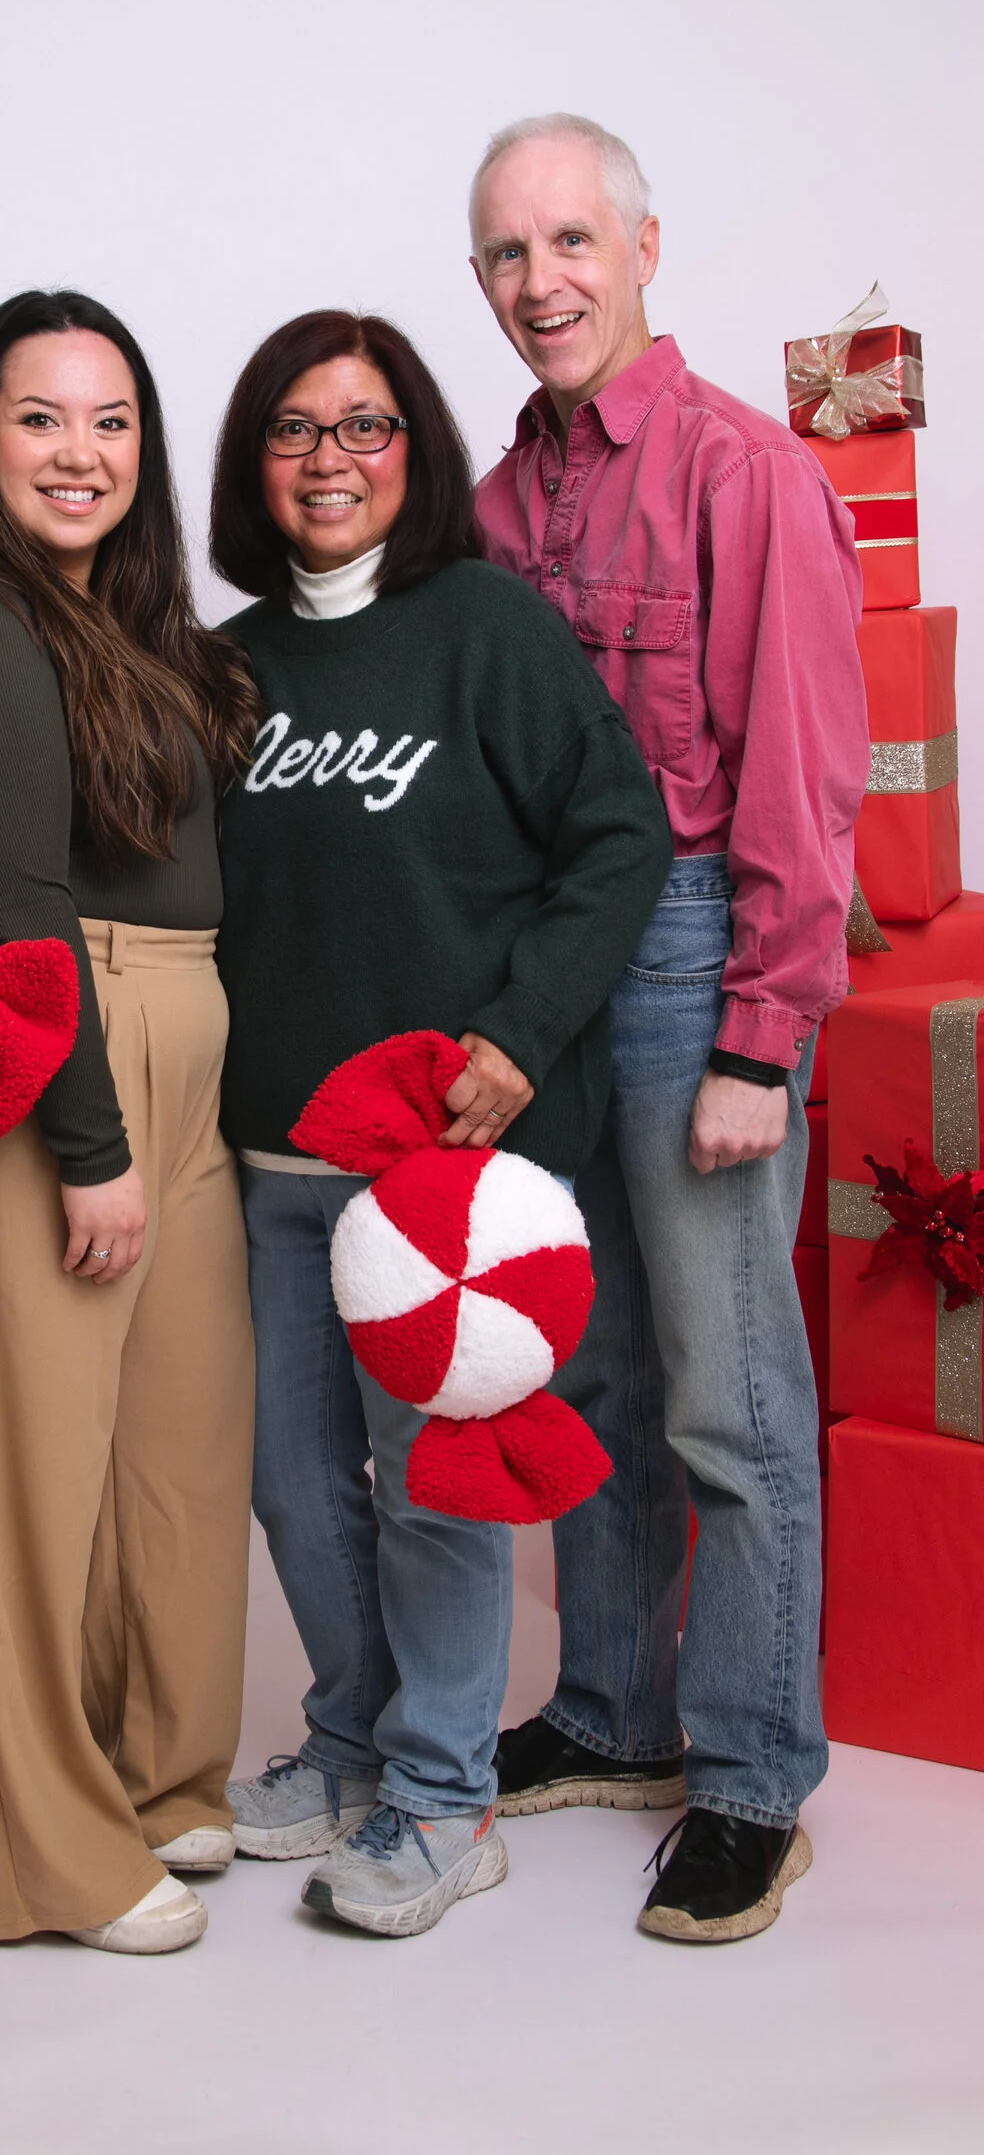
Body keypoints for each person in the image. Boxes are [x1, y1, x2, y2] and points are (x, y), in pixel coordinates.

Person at [210, 309, 673, 1940]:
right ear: (253, 460)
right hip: (272, 1160)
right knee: (293, 1480)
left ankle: (443, 1794)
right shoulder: (225, 666)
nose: (330, 459)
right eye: (295, 428)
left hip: (438, 1175)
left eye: (366, 426)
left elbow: (620, 835)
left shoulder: (486, 627)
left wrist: (520, 1036)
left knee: (429, 1486)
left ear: (415, 449)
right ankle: (351, 1741)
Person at [470, 114, 870, 1943]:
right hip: (559, 974)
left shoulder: (745, 471)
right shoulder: (496, 504)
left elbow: (804, 774)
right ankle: (614, 1711)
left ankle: (755, 1774)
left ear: (643, 247)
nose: (540, 280)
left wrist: (759, 1040)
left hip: (702, 956)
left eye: (571, 240)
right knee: (594, 1371)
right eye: (506, 253)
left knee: (730, 1390)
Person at [0, 289, 260, 1954]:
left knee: (177, 1443)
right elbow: (19, 904)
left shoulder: (136, 626)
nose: (80, 452)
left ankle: (157, 1781)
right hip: (45, 1052)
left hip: (180, 1032)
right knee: (17, 1474)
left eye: (111, 420)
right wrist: (89, 1147)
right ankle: (39, 1856)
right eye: (41, 417)